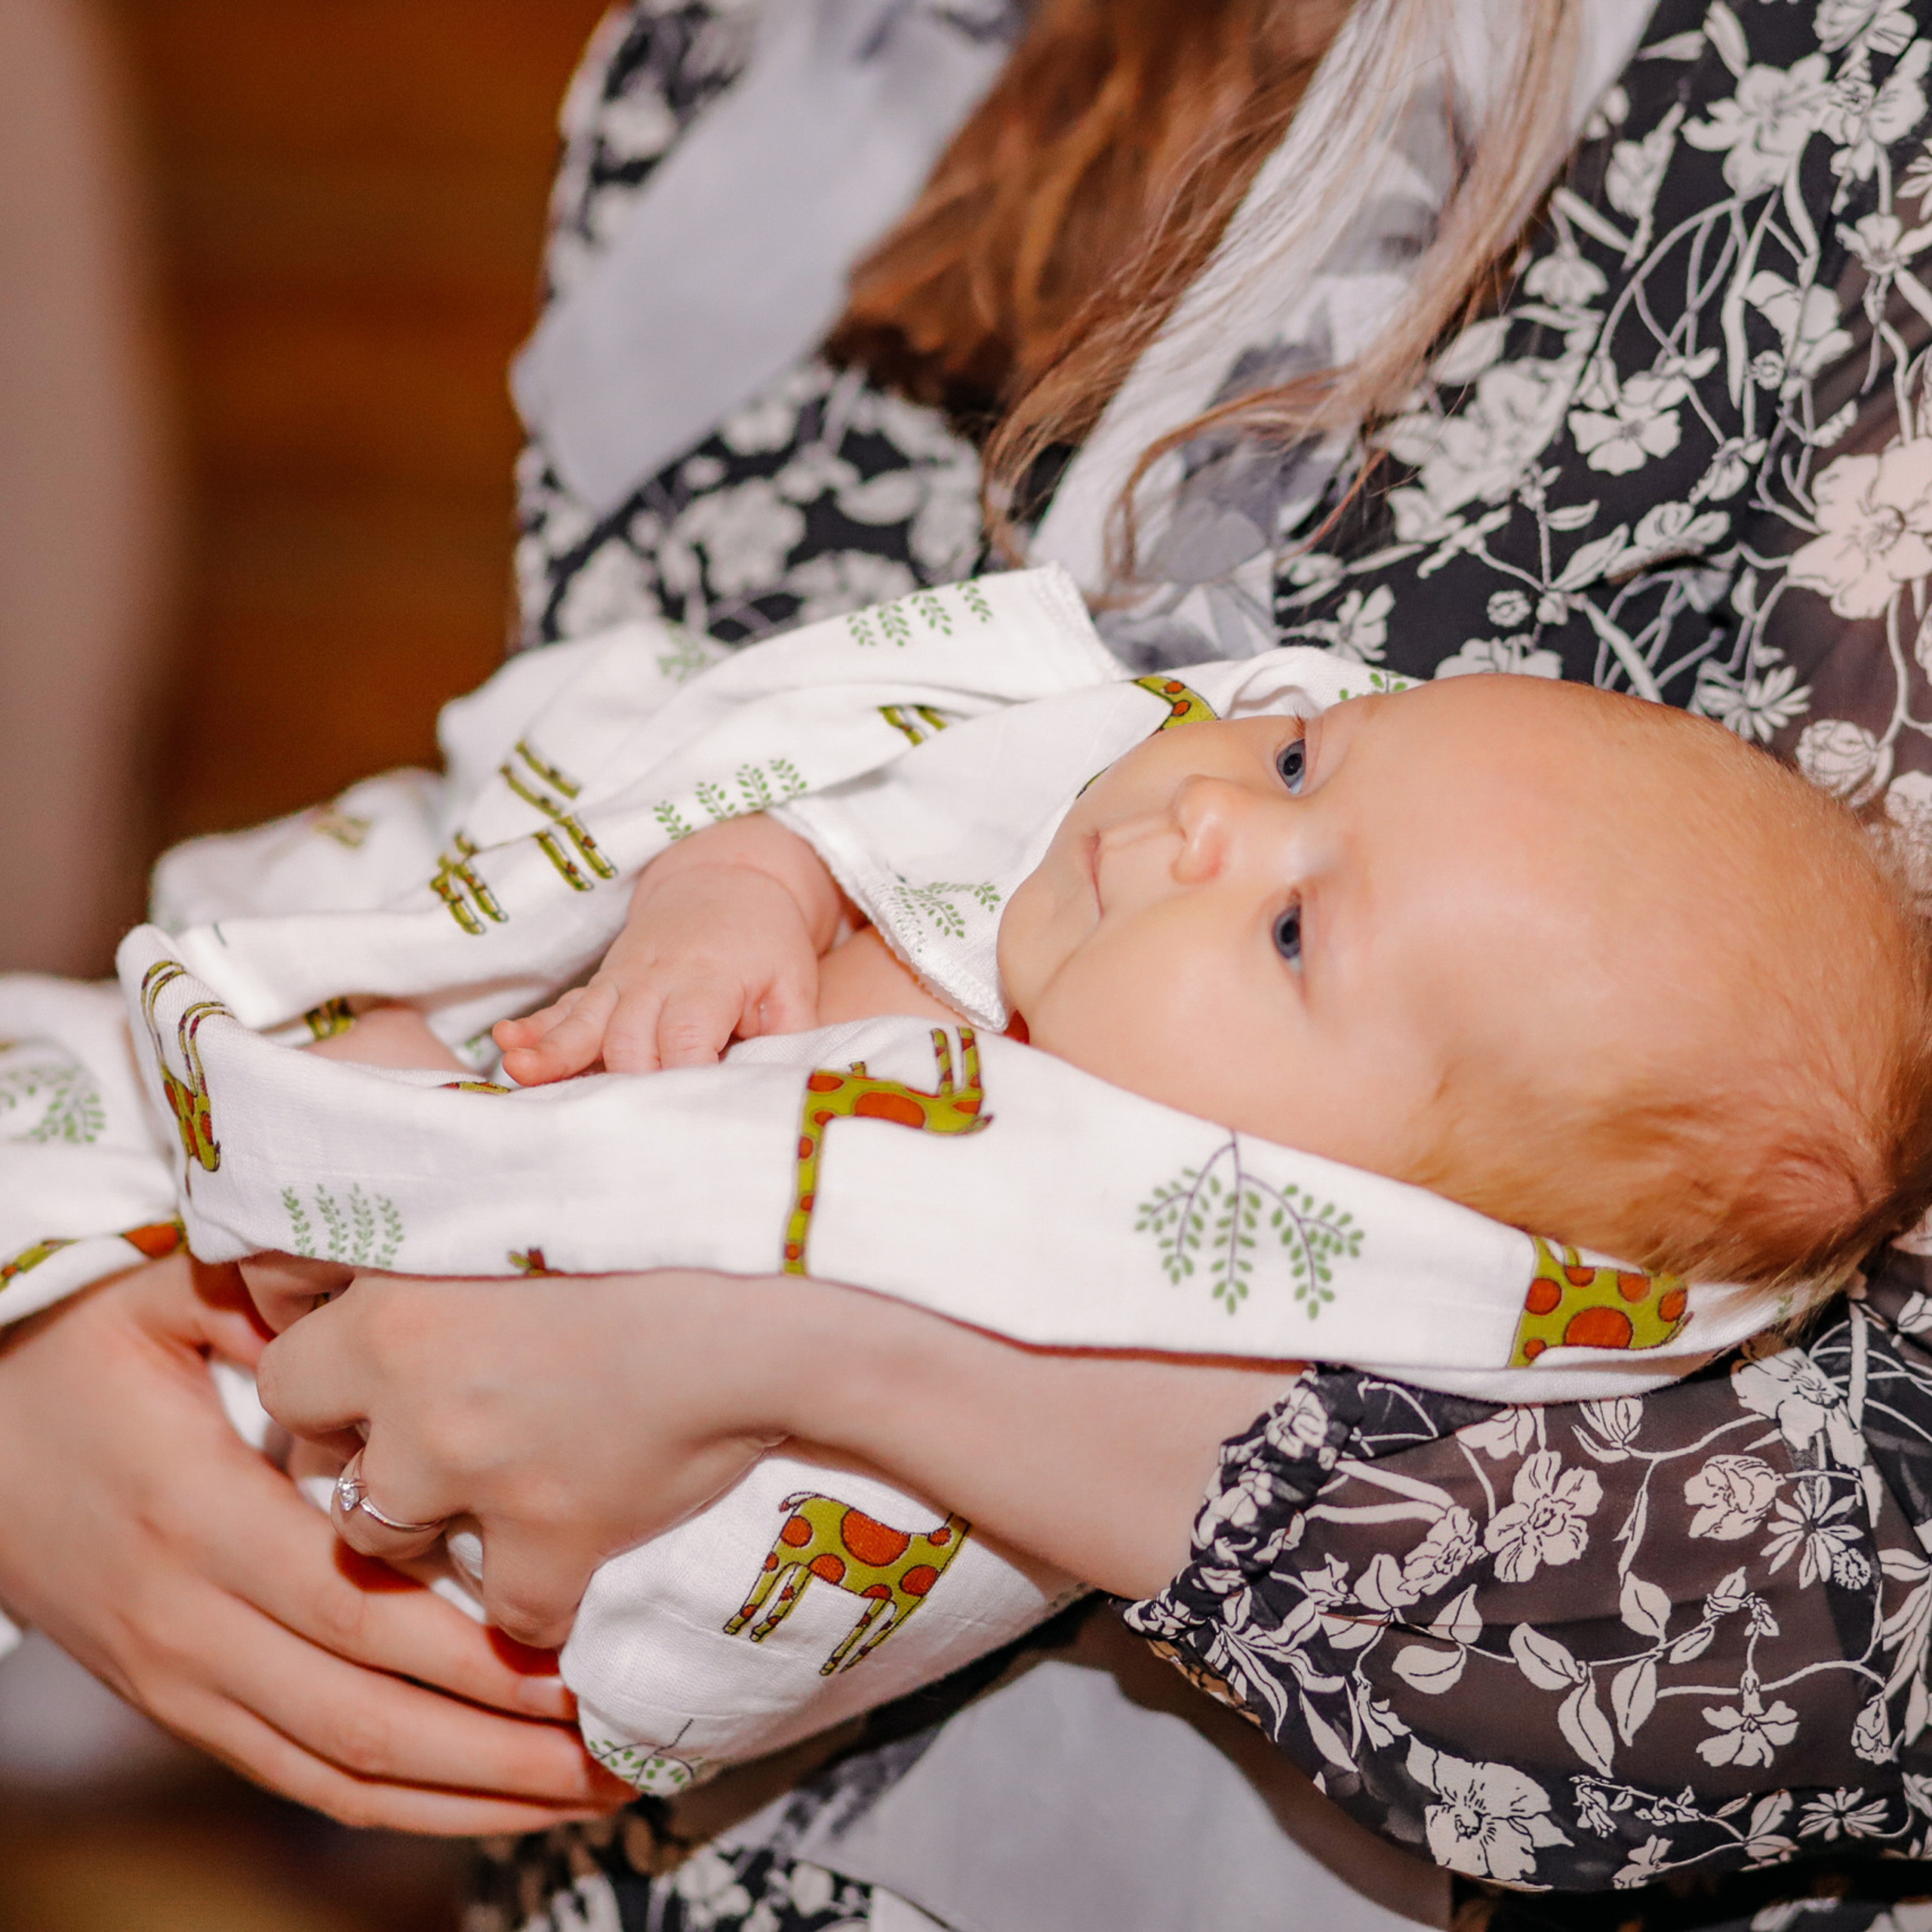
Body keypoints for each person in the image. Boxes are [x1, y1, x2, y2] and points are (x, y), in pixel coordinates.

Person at [6, 0, 1932, 1925]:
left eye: (1289, 924)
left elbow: (1867, 1583)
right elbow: (741, 743)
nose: (1206, 815)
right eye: (1288, 757)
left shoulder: (1848, 131)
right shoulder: (784, 51)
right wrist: (42, 1362)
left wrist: (796, 1331)